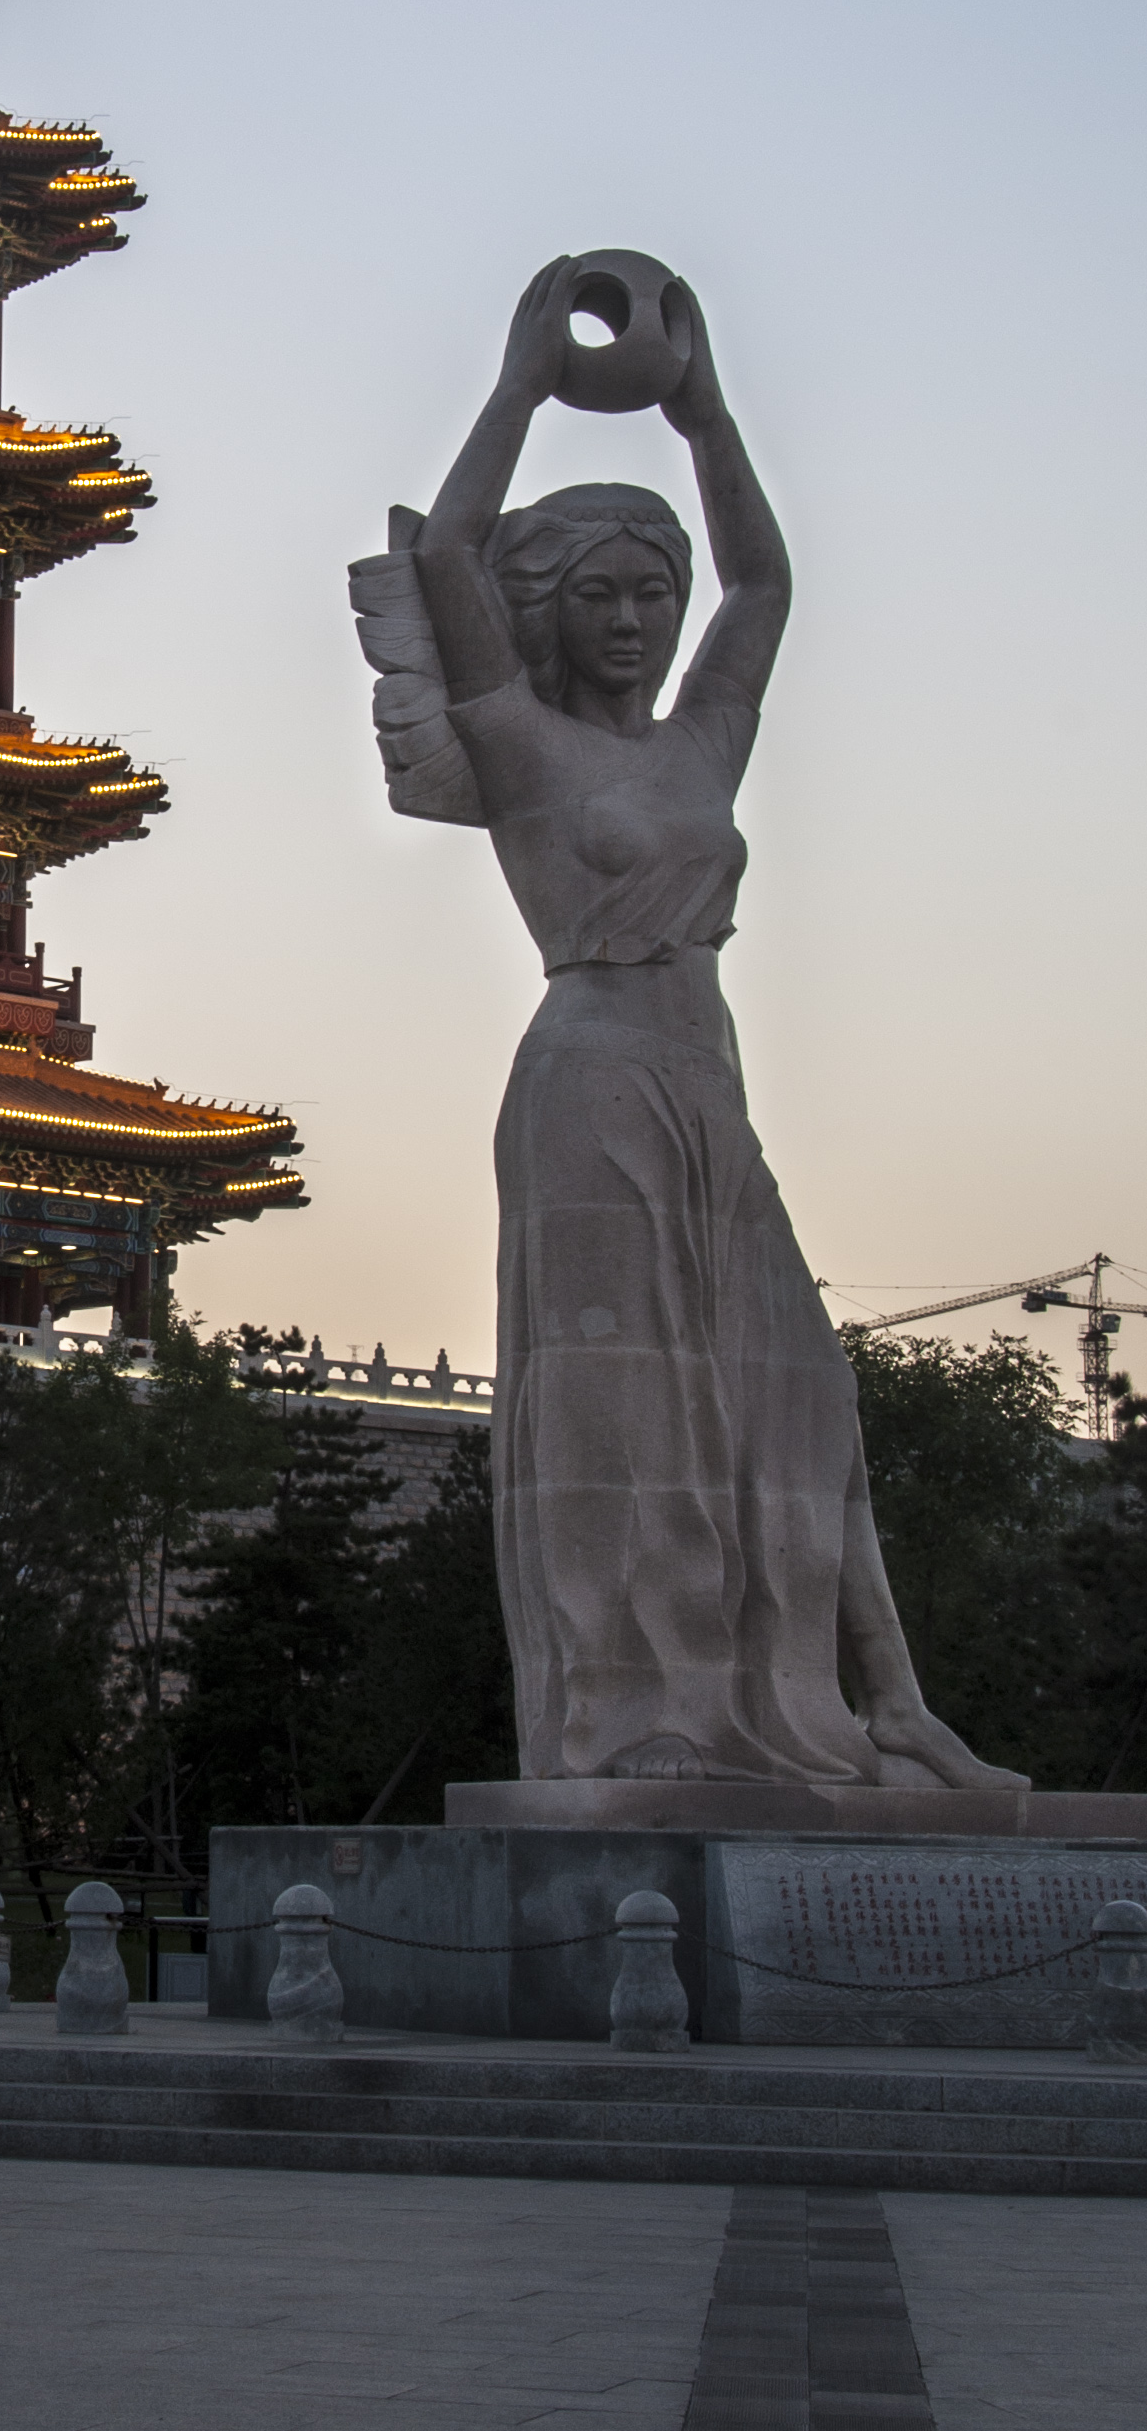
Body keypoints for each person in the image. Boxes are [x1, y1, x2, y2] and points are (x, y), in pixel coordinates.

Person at [378, 257, 1018, 1790]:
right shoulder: (519, 744)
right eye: (597, 590)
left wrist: (706, 411)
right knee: (623, 1420)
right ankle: (639, 1721)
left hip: (704, 1084)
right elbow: (455, 543)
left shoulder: (704, 741)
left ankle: (887, 1707)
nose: (632, 616)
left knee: (801, 1399)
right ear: (551, 612)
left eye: (649, 589)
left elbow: (768, 589)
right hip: (586, 1085)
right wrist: (524, 381)